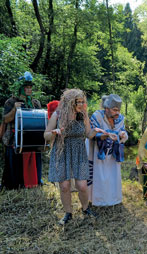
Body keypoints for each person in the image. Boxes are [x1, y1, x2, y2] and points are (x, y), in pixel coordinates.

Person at [44, 88, 100, 225]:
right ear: (69, 102)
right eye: (78, 102)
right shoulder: (57, 115)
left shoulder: (83, 115)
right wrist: (54, 132)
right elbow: (46, 135)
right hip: (62, 151)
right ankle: (68, 213)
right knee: (64, 185)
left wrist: (96, 131)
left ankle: (86, 209)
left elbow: (88, 134)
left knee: (82, 185)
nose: (81, 104)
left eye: (82, 101)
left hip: (79, 152)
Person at [1, 71, 43, 190]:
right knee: (16, 164)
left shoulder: (35, 103)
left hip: (32, 138)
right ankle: (15, 185)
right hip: (14, 139)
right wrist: (15, 109)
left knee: (34, 160)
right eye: (26, 87)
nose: (29, 90)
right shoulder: (10, 102)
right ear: (21, 88)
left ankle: (34, 182)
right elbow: (6, 119)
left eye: (30, 87)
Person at [86, 94, 128, 206]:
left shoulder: (120, 119)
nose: (117, 113)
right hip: (99, 151)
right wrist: (106, 136)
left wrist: (123, 134)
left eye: (118, 110)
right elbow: (92, 134)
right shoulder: (97, 116)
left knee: (113, 175)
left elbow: (122, 131)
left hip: (113, 153)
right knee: (100, 176)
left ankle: (114, 199)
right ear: (107, 108)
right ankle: (99, 200)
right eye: (114, 110)